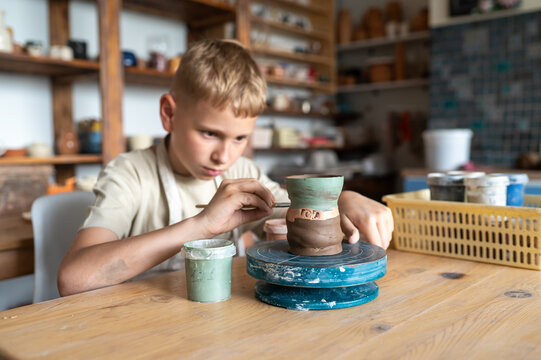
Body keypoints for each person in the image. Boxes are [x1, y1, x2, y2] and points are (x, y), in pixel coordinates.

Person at [57, 39, 394, 296]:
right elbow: (73, 278)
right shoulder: (129, 173)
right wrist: (201, 226)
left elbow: (301, 217)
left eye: (239, 139)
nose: (223, 156)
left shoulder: (243, 172)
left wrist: (341, 199)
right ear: (169, 114)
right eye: (210, 134)